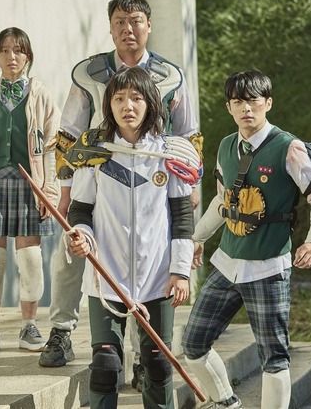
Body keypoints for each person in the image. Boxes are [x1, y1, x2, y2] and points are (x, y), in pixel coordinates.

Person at [41, 0, 204, 390]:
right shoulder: (89, 73)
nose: (127, 29)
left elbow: (188, 133)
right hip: (99, 173)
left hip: (155, 178)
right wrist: (64, 187)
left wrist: (192, 184)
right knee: (76, 254)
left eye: (135, 21)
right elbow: (68, 134)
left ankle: (140, 353)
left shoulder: (170, 75)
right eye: (119, 22)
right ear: (110, 27)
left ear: (148, 26)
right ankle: (61, 329)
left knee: (149, 264)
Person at [183, 69, 311, 408]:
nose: (246, 108)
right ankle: (226, 403)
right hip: (227, 263)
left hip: (268, 266)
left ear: (268, 103)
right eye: (238, 102)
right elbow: (223, 202)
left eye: (253, 101)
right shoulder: (224, 146)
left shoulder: (289, 148)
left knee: (274, 358)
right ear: (229, 107)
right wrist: (197, 237)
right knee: (193, 344)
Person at [66, 66, 197, 408]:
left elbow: (183, 217)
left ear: (151, 103)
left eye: (136, 98)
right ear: (108, 104)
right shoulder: (95, 153)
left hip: (158, 276)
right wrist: (82, 236)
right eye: (119, 98)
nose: (128, 106)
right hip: (106, 275)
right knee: (105, 366)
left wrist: (180, 271)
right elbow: (79, 210)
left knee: (157, 364)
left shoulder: (170, 154)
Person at [0, 27, 60, 354]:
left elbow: (51, 148)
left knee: (30, 258)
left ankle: (29, 327)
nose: (11, 56)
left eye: (17, 50)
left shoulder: (41, 95)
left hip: (30, 185)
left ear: (27, 56)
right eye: (4, 50)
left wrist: (49, 191)